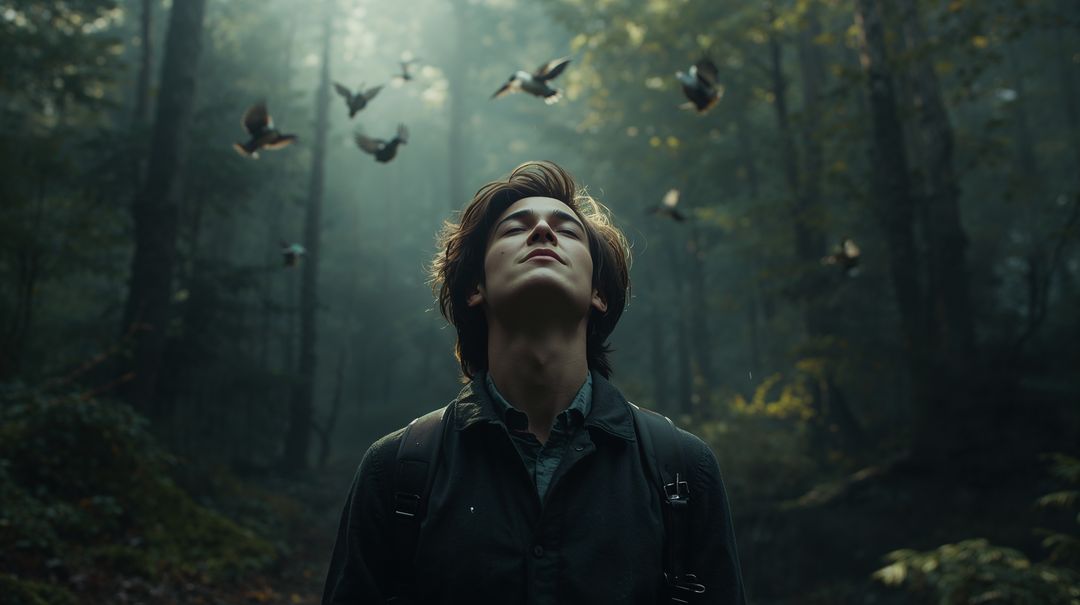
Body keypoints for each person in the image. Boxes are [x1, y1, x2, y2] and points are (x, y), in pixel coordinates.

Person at [321, 161, 745, 604]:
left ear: (599, 293)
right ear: (475, 289)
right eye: (513, 228)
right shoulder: (395, 471)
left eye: (567, 229)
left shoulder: (681, 469)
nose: (543, 230)